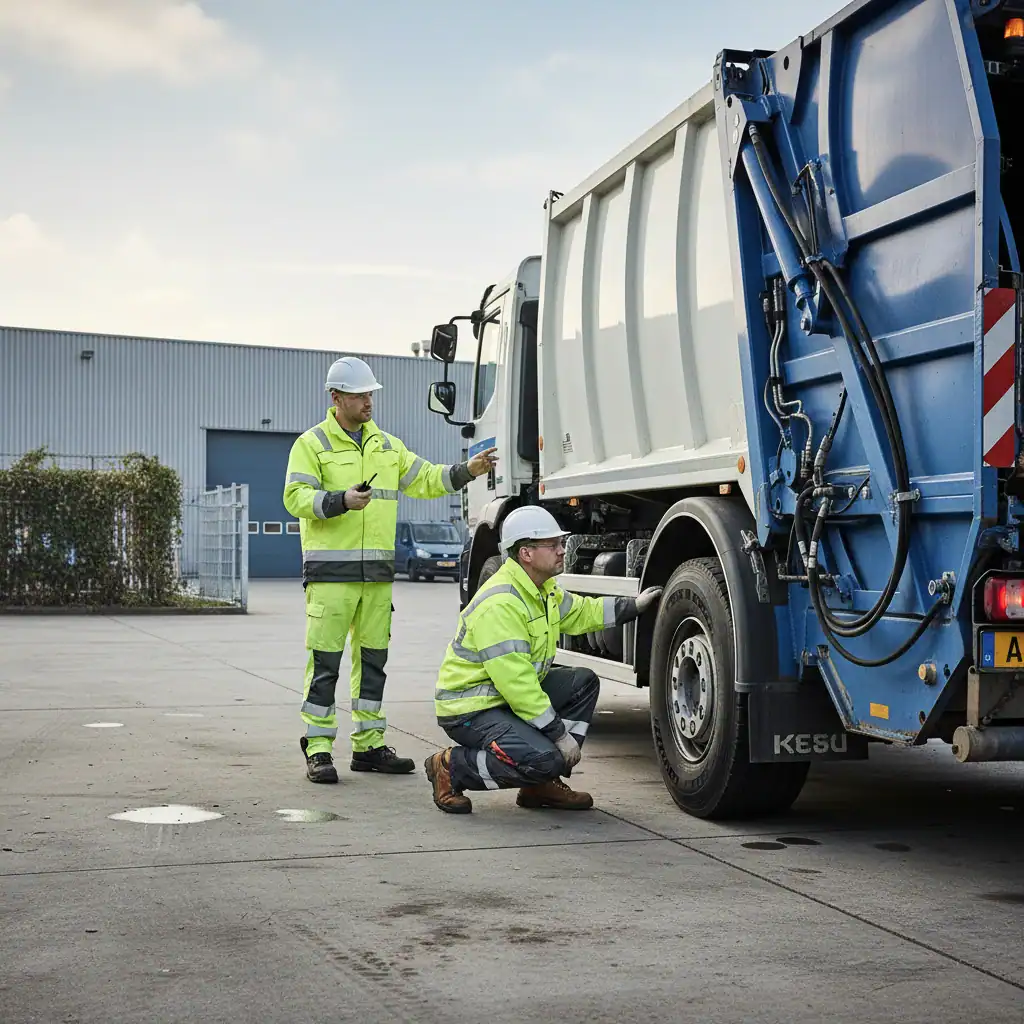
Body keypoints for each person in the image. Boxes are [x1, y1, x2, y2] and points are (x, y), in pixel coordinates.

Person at [283, 355, 497, 784]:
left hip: (377, 579)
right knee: (325, 664)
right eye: (361, 395)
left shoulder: (387, 445)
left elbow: (426, 479)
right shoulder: (313, 444)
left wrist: (468, 471)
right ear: (336, 397)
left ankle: (368, 747)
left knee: (373, 663)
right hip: (330, 579)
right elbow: (294, 497)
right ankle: (319, 748)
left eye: (370, 394)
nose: (368, 401)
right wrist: (339, 500)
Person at [424, 505, 663, 813]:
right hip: (470, 708)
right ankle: (451, 766)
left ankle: (540, 784)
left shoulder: (541, 588)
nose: (563, 550)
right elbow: (518, 686)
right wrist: (559, 736)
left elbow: (580, 613)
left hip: (502, 698)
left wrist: (633, 606)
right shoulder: (502, 603)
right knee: (544, 757)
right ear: (526, 553)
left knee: (582, 683)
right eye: (553, 545)